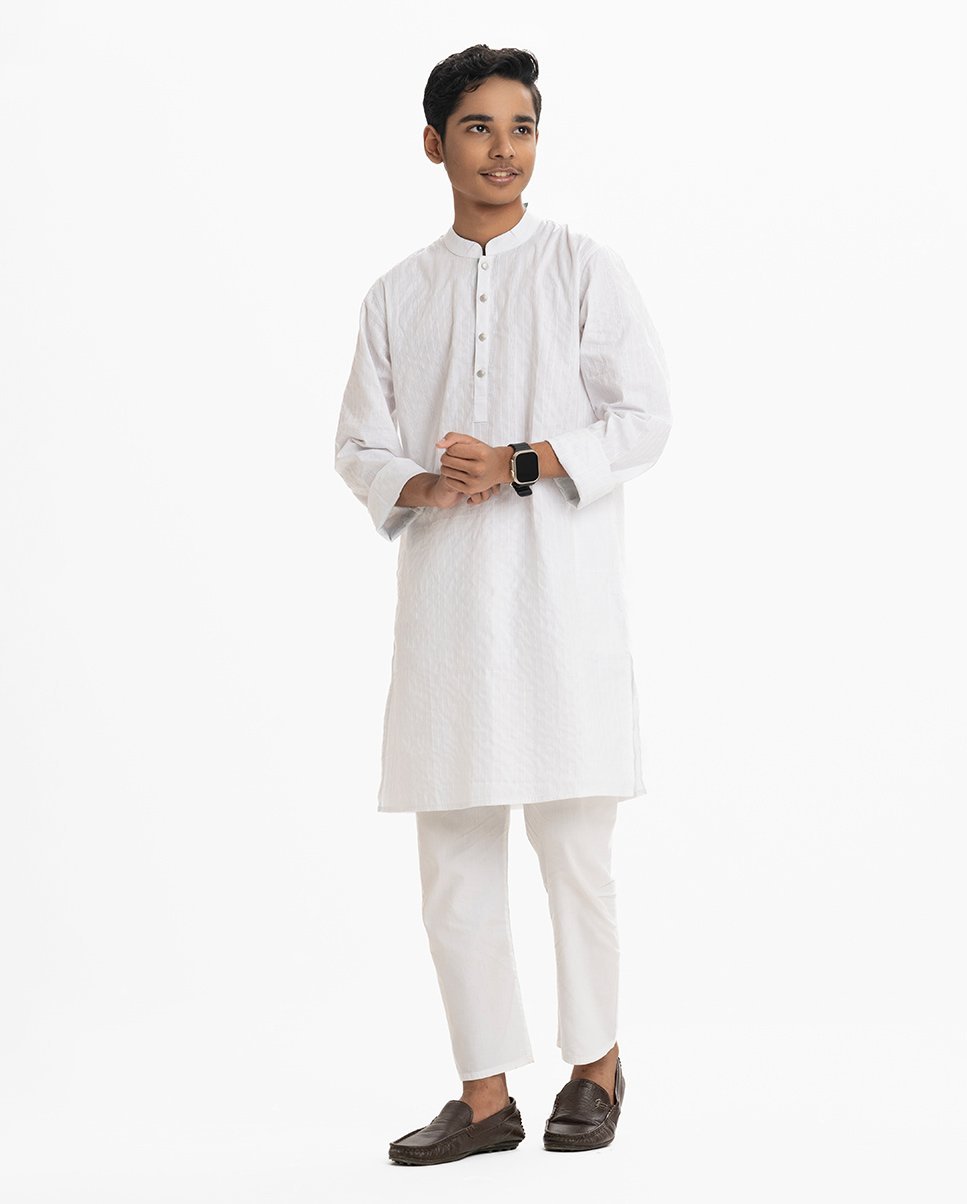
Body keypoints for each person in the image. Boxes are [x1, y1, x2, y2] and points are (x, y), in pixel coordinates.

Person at [334, 43, 672, 1165]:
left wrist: (521, 461)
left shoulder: (579, 267)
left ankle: (595, 1068)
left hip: (561, 608)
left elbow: (643, 418)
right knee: (456, 866)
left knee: (576, 855)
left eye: (521, 127)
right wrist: (420, 484)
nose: (503, 149)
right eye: (478, 127)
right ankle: (484, 1097)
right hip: (448, 614)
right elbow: (358, 443)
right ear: (435, 143)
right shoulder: (397, 294)